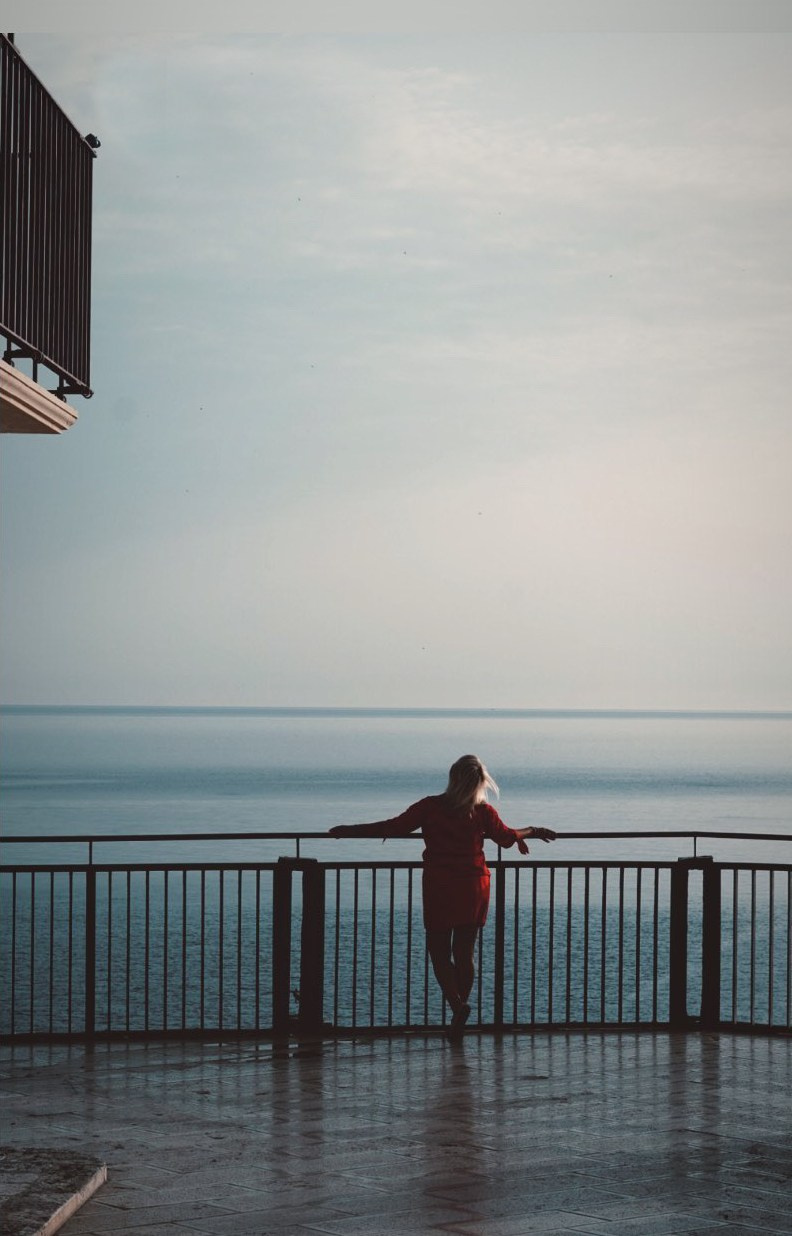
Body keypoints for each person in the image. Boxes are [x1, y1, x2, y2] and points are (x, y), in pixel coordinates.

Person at [328, 754, 556, 1039]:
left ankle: (457, 1007)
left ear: (453, 777)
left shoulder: (431, 807)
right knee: (465, 953)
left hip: (441, 885)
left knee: (438, 952)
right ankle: (458, 1012)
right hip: (474, 885)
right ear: (479, 783)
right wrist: (532, 830)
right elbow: (507, 837)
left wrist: (347, 831)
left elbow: (393, 826)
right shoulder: (482, 812)